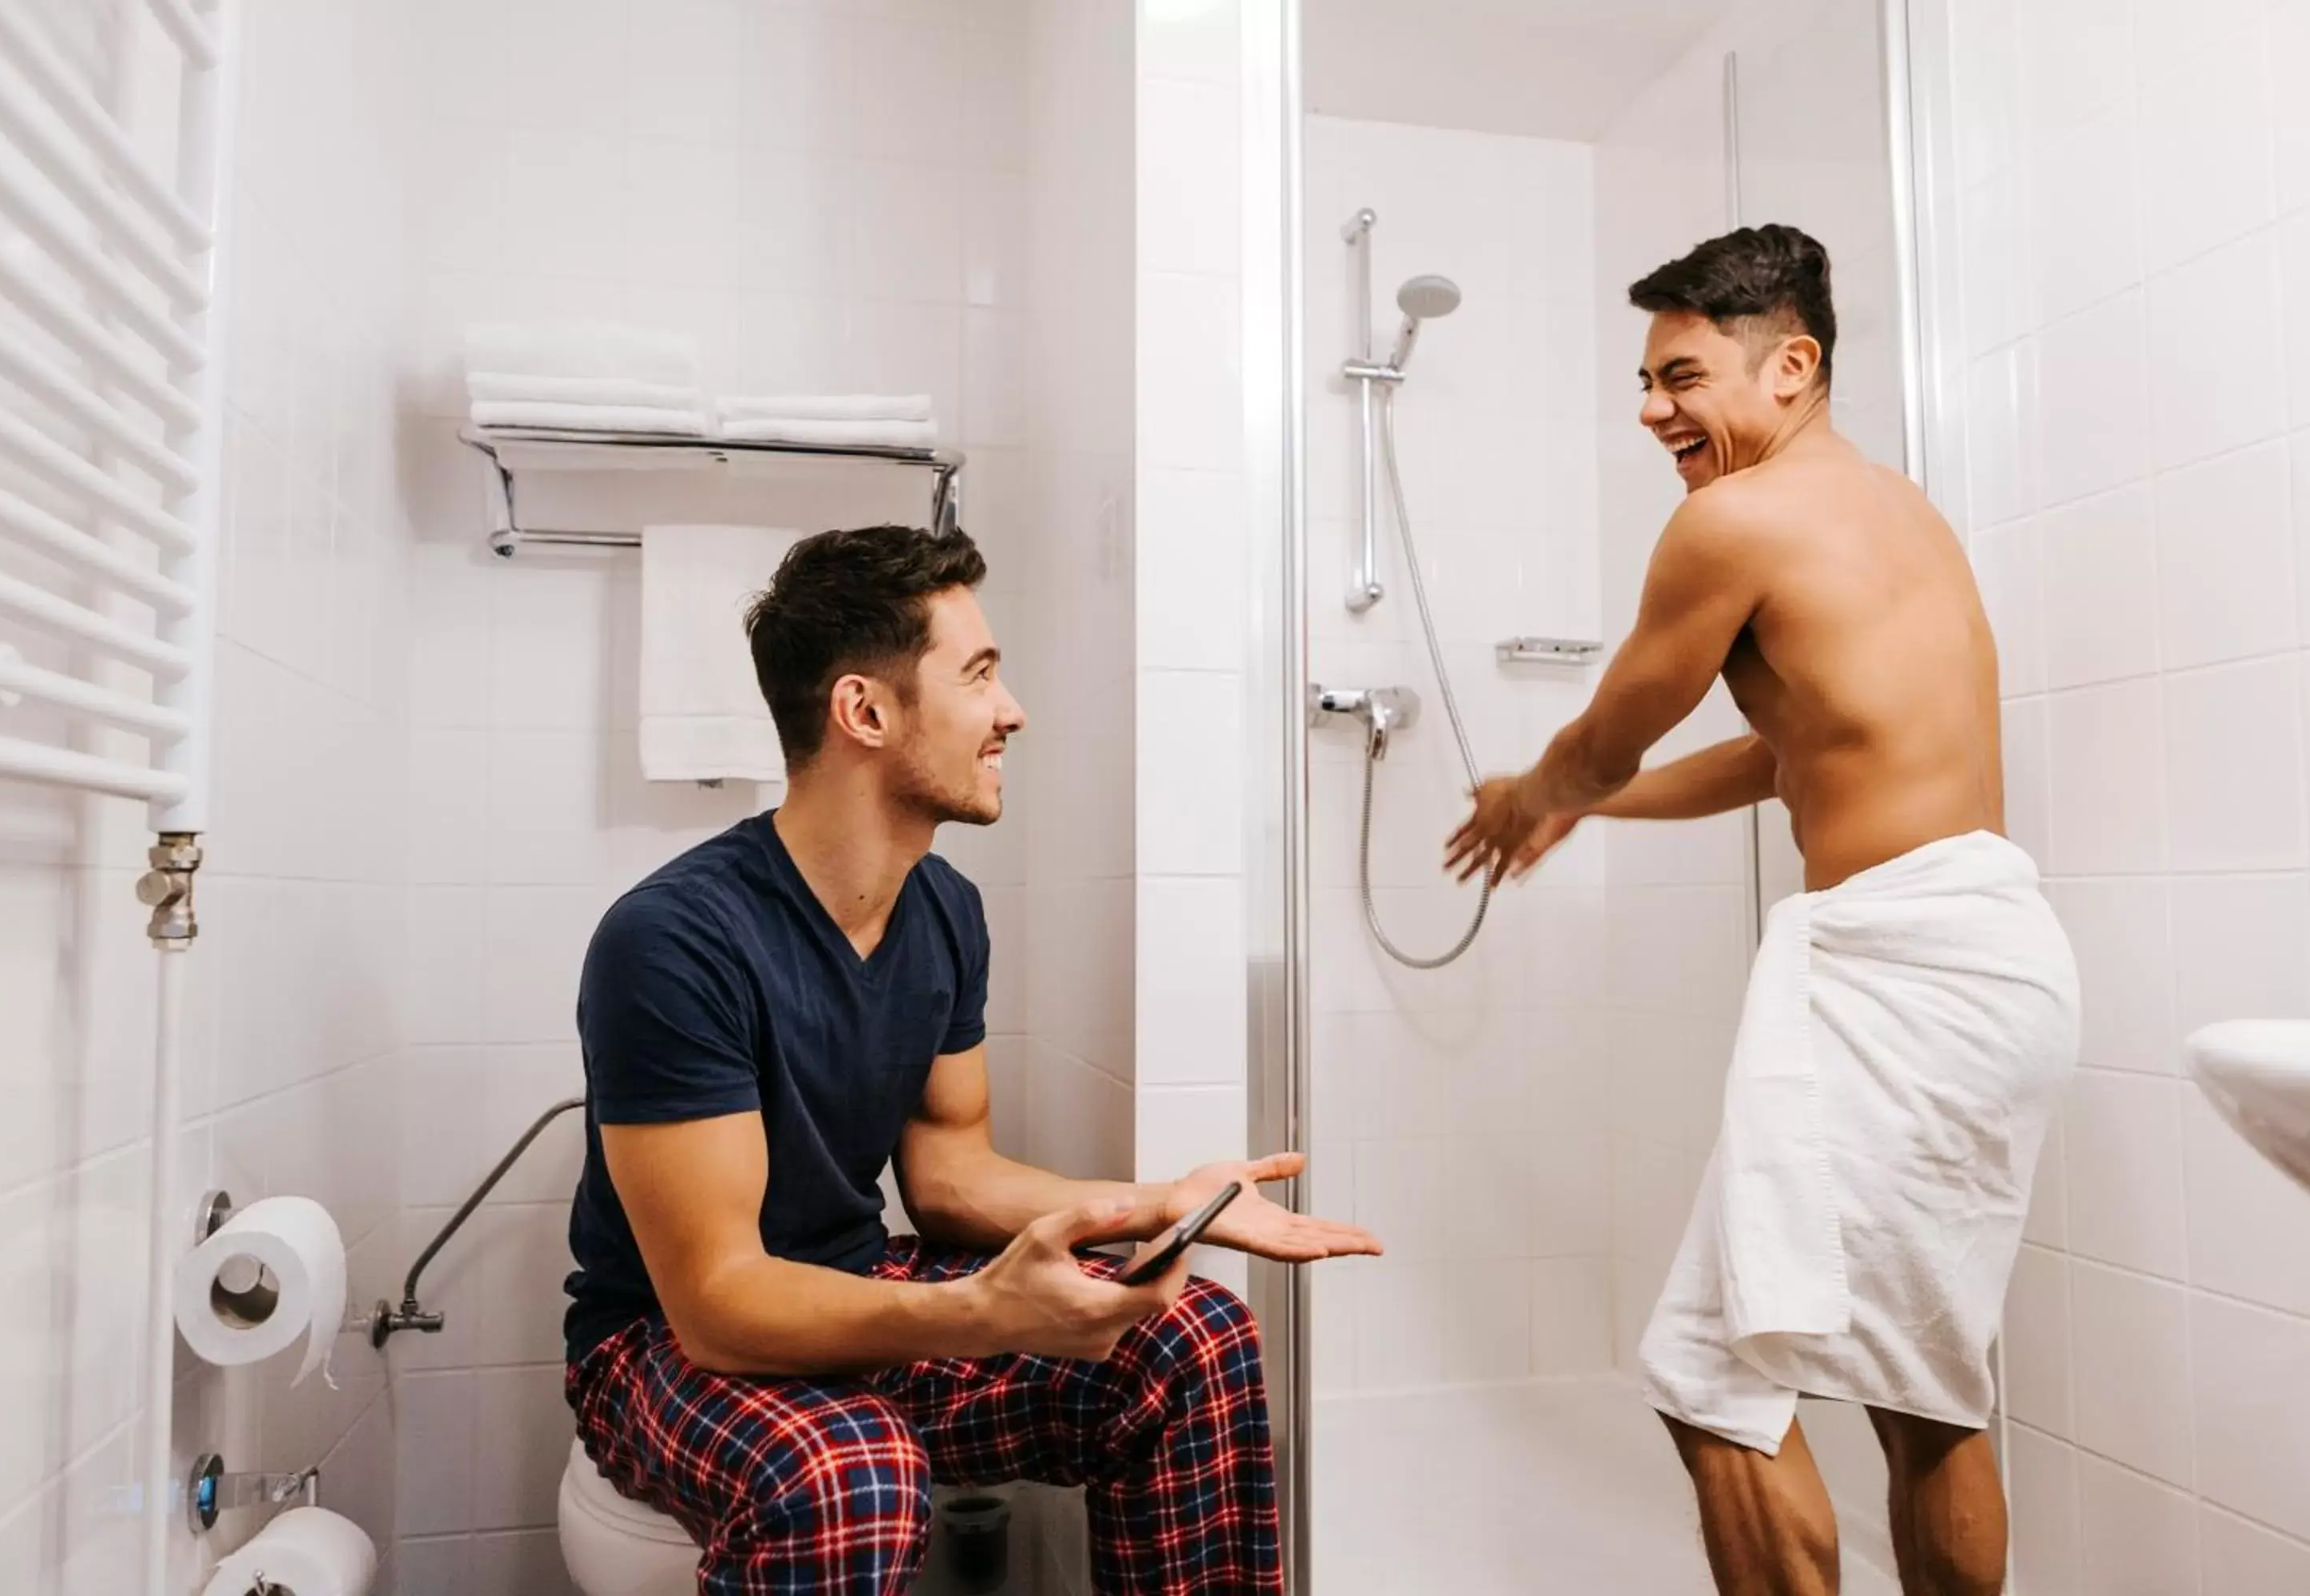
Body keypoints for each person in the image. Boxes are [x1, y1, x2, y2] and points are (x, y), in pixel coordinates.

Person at [563, 523, 1379, 1596]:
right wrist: (984, 1312)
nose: (1012, 710)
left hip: (854, 1286)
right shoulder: (675, 940)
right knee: (853, 1475)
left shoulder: (945, 910)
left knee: (1195, 1337)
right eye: (981, 674)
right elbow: (718, 1305)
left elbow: (950, 1179)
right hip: (661, 1346)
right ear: (865, 711)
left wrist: (1163, 1207)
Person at [1445, 225, 2078, 1596]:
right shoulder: (1898, 511)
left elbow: (1611, 733)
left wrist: (1536, 792)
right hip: (2001, 955)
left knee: (1710, 1370)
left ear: (1791, 365)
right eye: (1645, 379)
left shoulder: (1730, 520)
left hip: (1896, 966)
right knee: (1930, 1390)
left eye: (1682, 376)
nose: (1652, 410)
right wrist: (1586, 808)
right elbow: (1786, 749)